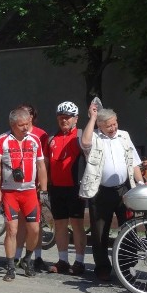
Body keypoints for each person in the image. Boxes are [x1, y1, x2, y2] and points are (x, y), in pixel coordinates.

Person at [80, 104, 144, 282]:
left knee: (129, 229)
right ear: (99, 125)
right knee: (100, 231)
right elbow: (84, 143)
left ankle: (126, 266)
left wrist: (140, 183)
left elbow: (134, 162)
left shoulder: (124, 136)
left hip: (124, 189)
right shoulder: (94, 137)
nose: (113, 128)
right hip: (100, 191)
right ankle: (102, 267)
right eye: (109, 125)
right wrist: (92, 118)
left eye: (115, 124)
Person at [0, 107, 48, 282]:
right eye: (21, 125)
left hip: (30, 191)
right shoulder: (2, 140)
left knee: (35, 229)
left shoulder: (35, 140)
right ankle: (10, 266)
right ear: (12, 124)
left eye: (27, 124)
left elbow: (41, 166)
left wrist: (44, 191)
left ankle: (27, 259)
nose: (25, 128)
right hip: (10, 192)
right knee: (11, 229)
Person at [45, 101, 86, 276]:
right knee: (59, 225)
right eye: (61, 118)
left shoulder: (81, 136)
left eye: (68, 118)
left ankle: (79, 262)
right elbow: (46, 163)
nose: (64, 121)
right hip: (56, 188)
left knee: (77, 224)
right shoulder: (52, 138)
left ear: (75, 119)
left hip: (75, 188)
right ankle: (62, 260)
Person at [13, 104, 50, 270]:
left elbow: (44, 163)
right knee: (20, 223)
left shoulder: (41, 135)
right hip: (17, 187)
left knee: (36, 224)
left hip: (33, 186)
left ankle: (38, 256)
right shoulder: (15, 133)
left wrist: (43, 186)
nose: (23, 118)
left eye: (26, 115)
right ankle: (17, 256)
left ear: (32, 117)